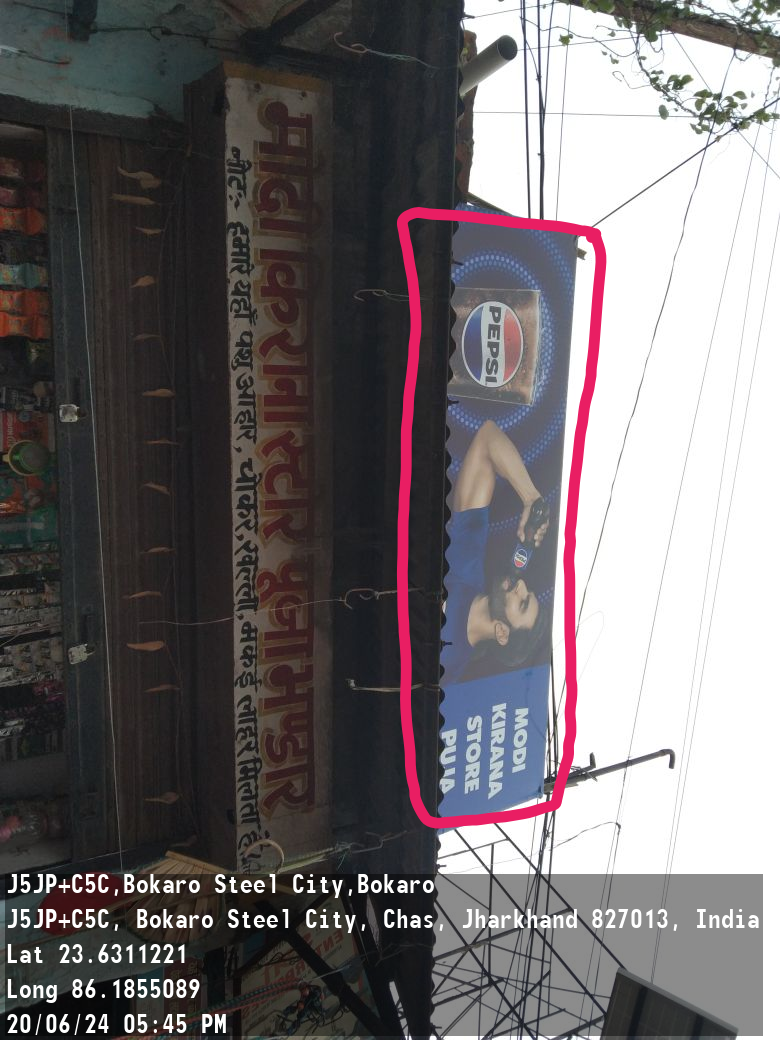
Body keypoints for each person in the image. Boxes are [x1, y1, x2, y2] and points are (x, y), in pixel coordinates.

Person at [441, 419, 550, 684]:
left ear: (502, 632)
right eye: (528, 592)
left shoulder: (448, 668)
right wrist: (532, 498)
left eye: (522, 603)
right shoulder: (467, 561)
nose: (521, 586)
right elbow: (487, 437)